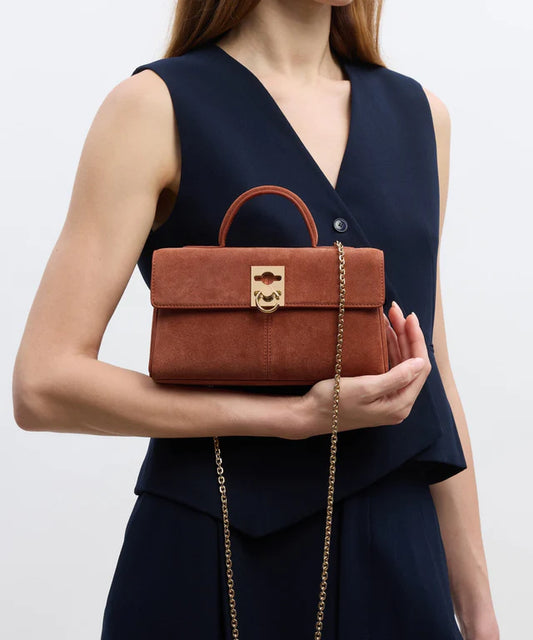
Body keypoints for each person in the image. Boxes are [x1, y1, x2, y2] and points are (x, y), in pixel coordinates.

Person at [12, 1, 499, 639]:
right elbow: (43, 384)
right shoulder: (154, 108)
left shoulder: (422, 117)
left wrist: (480, 613)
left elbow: (431, 370)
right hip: (210, 554)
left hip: (397, 558)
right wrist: (290, 418)